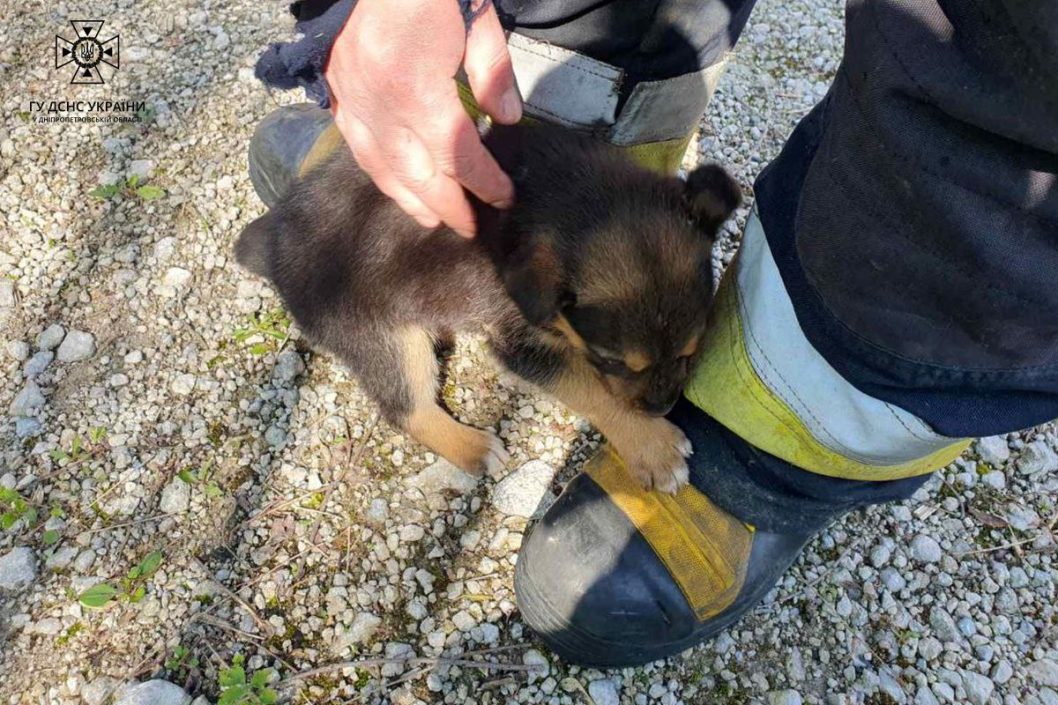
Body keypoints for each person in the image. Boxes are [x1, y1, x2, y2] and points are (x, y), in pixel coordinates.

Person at [251, 0, 1058, 666]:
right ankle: (416, 378)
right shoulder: (532, 290)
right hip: (344, 278)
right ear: (548, 294)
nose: (662, 391)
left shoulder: (610, 245)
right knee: (404, 371)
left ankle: (789, 450)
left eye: (681, 353)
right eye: (625, 363)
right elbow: (521, 344)